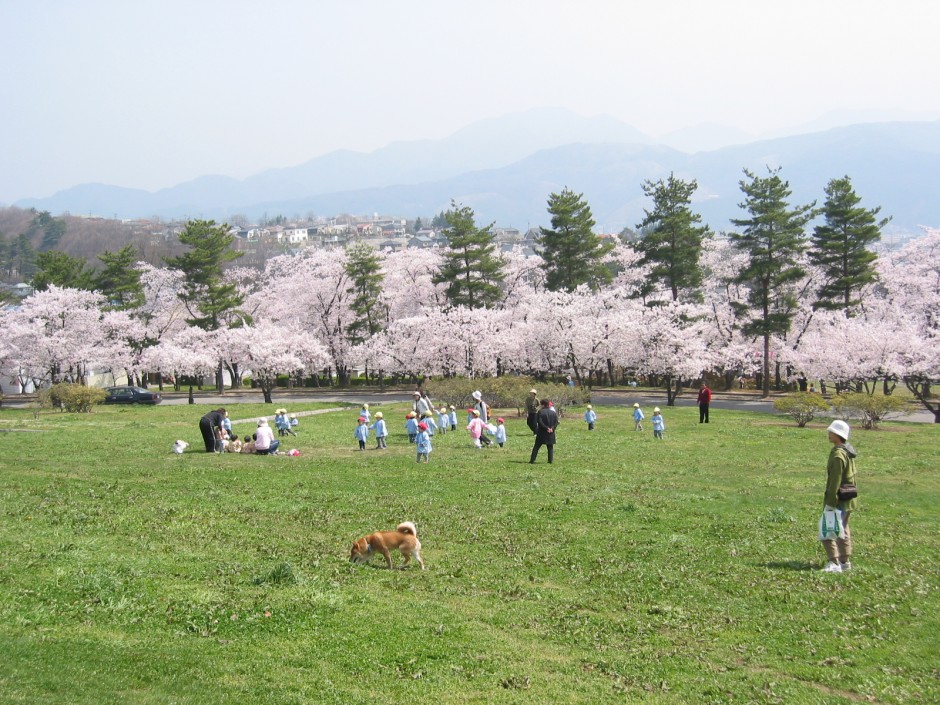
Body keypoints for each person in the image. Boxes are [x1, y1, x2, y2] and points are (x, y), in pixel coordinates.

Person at [820, 420, 859, 573]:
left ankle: (834, 562)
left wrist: (830, 503)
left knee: (829, 529)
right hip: (849, 499)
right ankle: (845, 561)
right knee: (843, 529)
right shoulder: (848, 451)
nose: (829, 434)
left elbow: (835, 481)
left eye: (831, 432)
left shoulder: (838, 455)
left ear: (838, 435)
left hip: (838, 499)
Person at [530, 398, 559, 464]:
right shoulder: (553, 413)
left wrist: (546, 428)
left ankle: (532, 460)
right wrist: (552, 428)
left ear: (543, 405)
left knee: (536, 447)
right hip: (551, 433)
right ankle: (550, 460)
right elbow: (556, 422)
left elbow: (540, 422)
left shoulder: (540, 412)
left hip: (542, 433)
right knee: (550, 447)